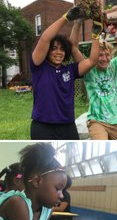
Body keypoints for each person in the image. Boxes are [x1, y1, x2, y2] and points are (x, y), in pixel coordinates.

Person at [0, 143, 101, 220]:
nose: (62, 195)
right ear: (37, 181)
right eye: (58, 188)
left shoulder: (46, 211)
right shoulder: (17, 203)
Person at [29, 7, 100, 139]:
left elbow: (91, 61)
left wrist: (96, 35)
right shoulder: (39, 66)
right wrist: (66, 17)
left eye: (62, 49)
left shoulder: (70, 70)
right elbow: (44, 38)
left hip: (68, 126)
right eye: (54, 48)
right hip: (42, 127)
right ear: (47, 51)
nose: (58, 52)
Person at [70, 14, 117, 140]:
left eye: (107, 55)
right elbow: (73, 48)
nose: (104, 58)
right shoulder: (89, 68)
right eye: (100, 55)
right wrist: (78, 22)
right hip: (97, 120)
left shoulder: (116, 65)